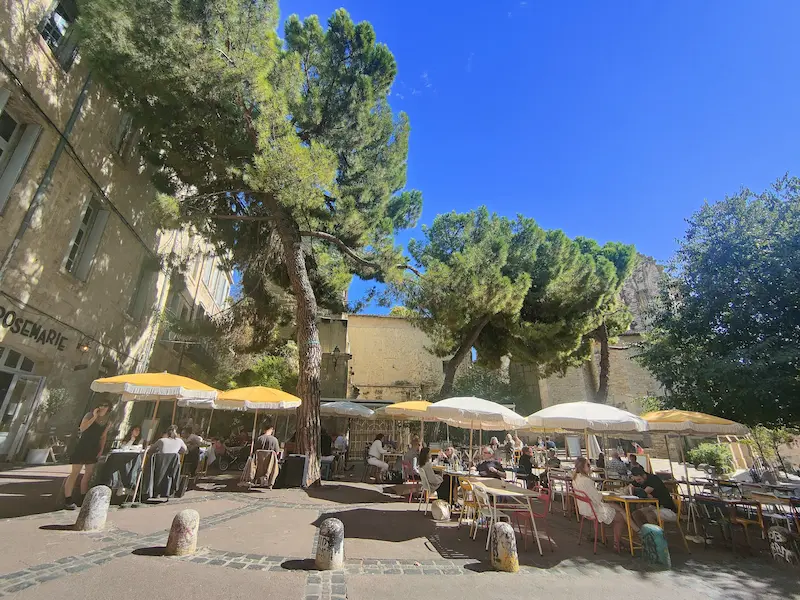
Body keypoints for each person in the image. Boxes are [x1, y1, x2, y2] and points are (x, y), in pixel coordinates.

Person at [63, 400, 113, 509]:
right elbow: (82, 428)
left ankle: (83, 497)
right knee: (75, 472)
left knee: (89, 473)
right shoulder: (89, 415)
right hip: (82, 445)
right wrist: (94, 417)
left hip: (94, 447)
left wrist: (101, 449)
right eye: (101, 404)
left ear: (109, 408)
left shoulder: (108, 420)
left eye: (105, 405)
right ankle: (68, 498)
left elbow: (103, 436)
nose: (103, 407)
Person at [572, 456, 627, 552]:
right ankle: (616, 543)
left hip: (584, 509)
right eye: (588, 465)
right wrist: (605, 495)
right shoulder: (587, 481)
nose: (590, 467)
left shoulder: (575, 479)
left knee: (616, 509)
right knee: (620, 518)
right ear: (583, 468)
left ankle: (605, 538)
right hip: (593, 510)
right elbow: (597, 498)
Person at [629, 466, 678, 530]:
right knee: (635, 514)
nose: (637, 482)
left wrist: (633, 494)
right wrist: (631, 493)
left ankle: (658, 536)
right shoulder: (640, 479)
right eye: (636, 480)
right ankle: (645, 533)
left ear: (644, 475)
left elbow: (643, 494)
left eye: (639, 479)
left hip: (667, 508)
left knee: (649, 515)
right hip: (655, 507)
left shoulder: (653, 479)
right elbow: (630, 486)